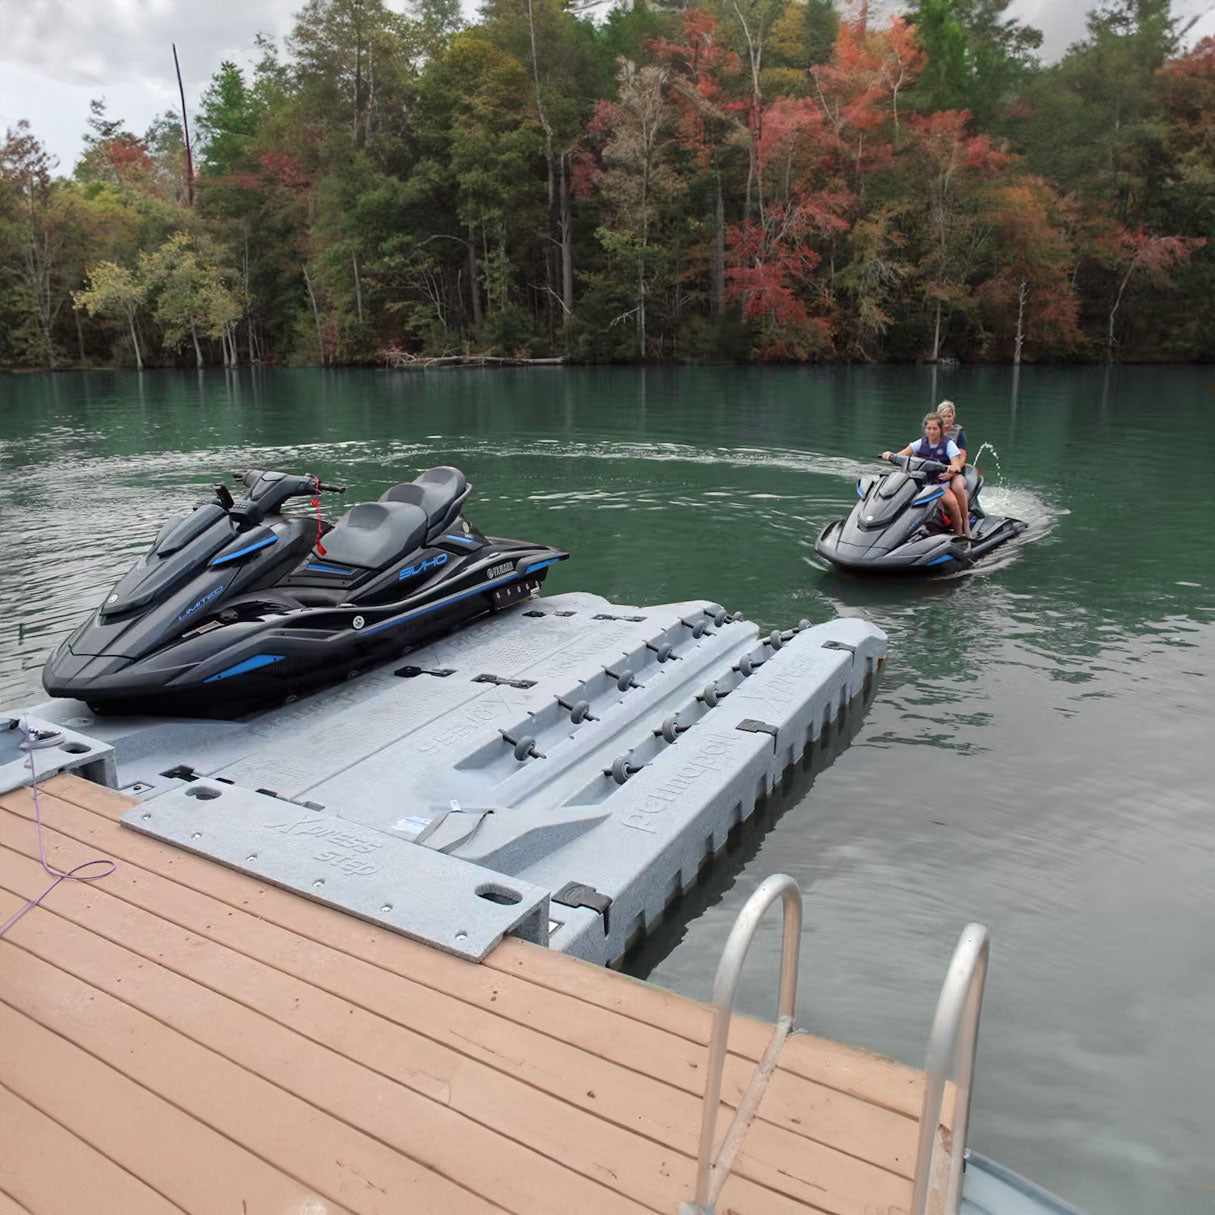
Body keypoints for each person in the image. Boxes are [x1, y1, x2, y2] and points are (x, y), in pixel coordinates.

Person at [881, 411, 970, 537]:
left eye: (935, 428)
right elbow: (900, 455)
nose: (931, 432)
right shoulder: (920, 443)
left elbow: (956, 464)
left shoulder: (948, 444)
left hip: (940, 484)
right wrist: (889, 455)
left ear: (940, 429)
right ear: (925, 429)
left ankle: (960, 534)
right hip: (920, 484)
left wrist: (951, 467)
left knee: (952, 503)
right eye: (929, 428)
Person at [936, 400, 970, 532]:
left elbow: (962, 457)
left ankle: (965, 523)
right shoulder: (934, 431)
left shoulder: (958, 433)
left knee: (956, 486)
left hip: (957, 472)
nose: (947, 419)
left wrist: (953, 471)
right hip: (939, 471)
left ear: (953, 416)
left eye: (949, 416)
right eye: (944, 416)